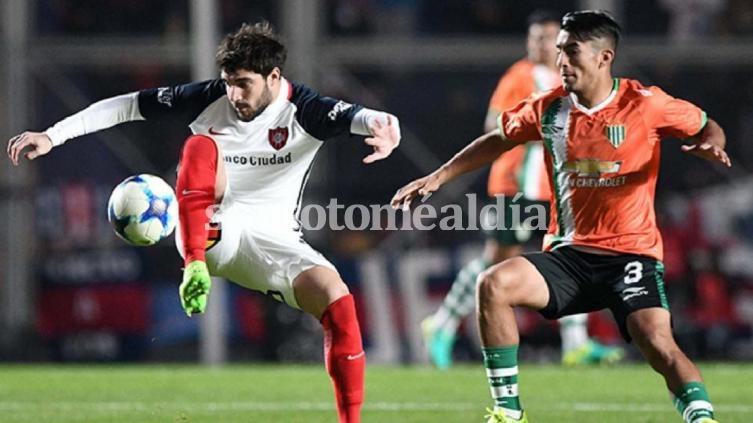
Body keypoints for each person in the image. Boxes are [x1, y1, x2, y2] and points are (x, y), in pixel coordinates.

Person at [7, 22, 401, 423]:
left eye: (244, 84)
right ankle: (194, 265)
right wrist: (53, 137)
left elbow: (372, 118)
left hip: (274, 240)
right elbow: (125, 105)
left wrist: (385, 131)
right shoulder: (207, 100)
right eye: (228, 82)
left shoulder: (308, 110)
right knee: (200, 145)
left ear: (274, 77)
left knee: (338, 302)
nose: (233, 94)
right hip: (211, 228)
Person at [392, 10, 726, 423]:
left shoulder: (646, 104)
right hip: (569, 256)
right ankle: (507, 413)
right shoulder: (550, 109)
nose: (560, 62)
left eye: (570, 51)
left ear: (604, 58)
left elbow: (707, 125)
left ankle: (702, 417)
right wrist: (439, 176)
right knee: (493, 283)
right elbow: (498, 138)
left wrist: (711, 143)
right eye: (558, 52)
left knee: (657, 342)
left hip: (630, 258)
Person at [421, 9, 623, 370]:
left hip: (558, 186)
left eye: (549, 38)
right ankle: (441, 323)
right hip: (517, 184)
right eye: (536, 38)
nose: (542, 45)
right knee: (496, 262)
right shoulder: (519, 76)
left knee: (573, 254)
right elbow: (493, 123)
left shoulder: (570, 80)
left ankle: (575, 344)